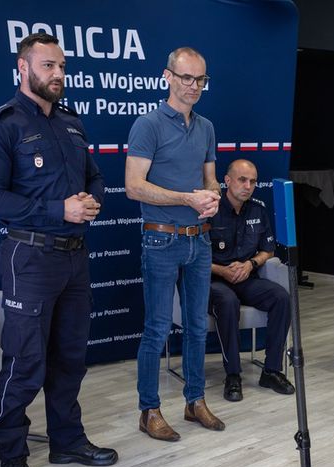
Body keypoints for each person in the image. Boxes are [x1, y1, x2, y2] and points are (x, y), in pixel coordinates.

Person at [0, 33, 118, 467]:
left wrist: (92, 200)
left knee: (70, 358)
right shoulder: (2, 125)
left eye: (61, 66)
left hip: (74, 257)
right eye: (48, 65)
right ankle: (12, 459)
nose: (58, 74)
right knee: (25, 362)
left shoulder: (72, 123)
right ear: (23, 67)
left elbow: (94, 175)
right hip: (30, 258)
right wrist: (60, 210)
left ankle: (67, 440)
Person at [125, 47, 224, 442]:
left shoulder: (206, 127)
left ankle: (194, 401)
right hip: (161, 238)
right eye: (186, 78)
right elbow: (134, 186)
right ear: (167, 76)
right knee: (158, 328)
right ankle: (149, 410)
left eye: (200, 79)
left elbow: (210, 177)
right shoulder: (147, 125)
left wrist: (213, 195)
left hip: (199, 240)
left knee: (197, 326)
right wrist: (186, 198)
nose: (194, 86)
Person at [209, 159, 295, 402]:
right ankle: (233, 375)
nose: (248, 186)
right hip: (214, 279)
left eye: (253, 182)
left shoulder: (258, 209)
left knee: (281, 297)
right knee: (228, 302)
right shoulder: (210, 209)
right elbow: (194, 258)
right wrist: (223, 271)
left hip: (246, 276)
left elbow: (268, 250)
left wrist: (251, 264)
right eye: (242, 180)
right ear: (227, 181)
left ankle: (271, 371)